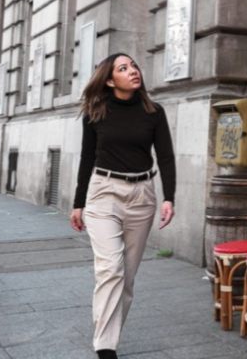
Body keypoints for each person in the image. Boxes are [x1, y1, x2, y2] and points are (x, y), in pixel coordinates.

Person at [69, 53, 176, 359]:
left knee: (126, 278)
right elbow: (87, 157)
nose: (133, 71)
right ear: (108, 79)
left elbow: (165, 156)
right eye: (123, 68)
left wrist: (169, 197)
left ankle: (107, 333)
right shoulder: (95, 112)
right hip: (104, 193)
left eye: (134, 66)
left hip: (142, 195)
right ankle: (105, 346)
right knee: (110, 269)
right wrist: (78, 204)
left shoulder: (154, 112)